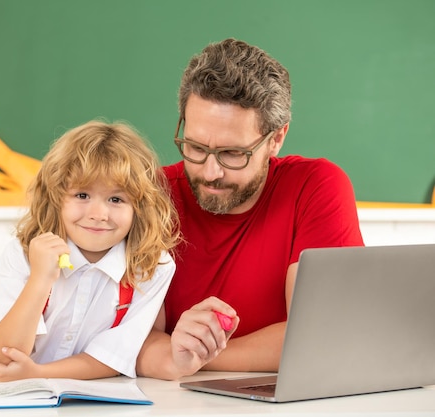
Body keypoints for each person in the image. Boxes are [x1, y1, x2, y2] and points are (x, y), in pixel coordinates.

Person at [135, 38, 364, 380]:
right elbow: (118, 340)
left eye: (232, 154)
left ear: (276, 138)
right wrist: (167, 352)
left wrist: (189, 355)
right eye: (195, 147)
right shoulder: (148, 194)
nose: (210, 172)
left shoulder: (315, 186)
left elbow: (318, 334)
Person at [0, 120, 181, 382]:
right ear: (56, 197)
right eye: (82, 195)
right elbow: (3, 356)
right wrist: (40, 279)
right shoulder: (23, 253)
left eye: (116, 199)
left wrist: (38, 374)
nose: (98, 215)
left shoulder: (152, 268)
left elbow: (112, 357)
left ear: (139, 207)